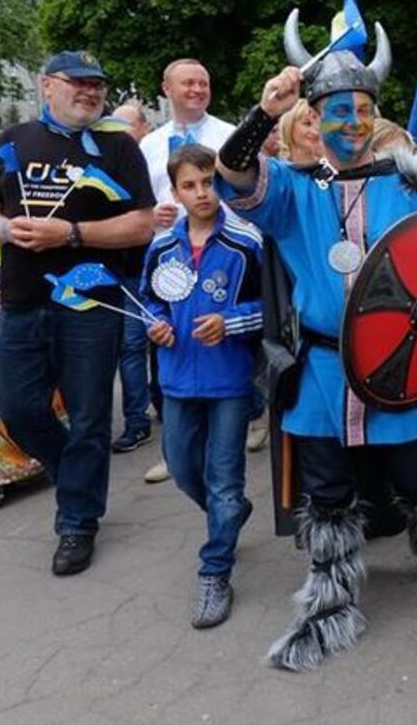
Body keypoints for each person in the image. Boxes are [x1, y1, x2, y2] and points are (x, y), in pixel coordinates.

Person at [215, 18, 417, 671]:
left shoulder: (409, 188)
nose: (350, 122)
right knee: (326, 492)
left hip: (398, 368)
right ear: (314, 118)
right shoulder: (292, 190)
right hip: (323, 372)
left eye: (361, 110)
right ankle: (329, 599)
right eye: (336, 111)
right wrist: (262, 112)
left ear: (376, 118)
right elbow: (232, 172)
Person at [0, 51, 154, 575]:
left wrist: (70, 234)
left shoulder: (119, 146)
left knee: (91, 416)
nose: (91, 92)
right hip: (23, 303)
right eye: (79, 83)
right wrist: (4, 230)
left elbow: (142, 225)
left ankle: (77, 522)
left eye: (98, 84)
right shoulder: (14, 141)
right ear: (47, 86)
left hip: (91, 306)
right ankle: (73, 472)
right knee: (15, 404)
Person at [141, 144, 262, 628]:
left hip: (229, 381)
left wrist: (230, 323)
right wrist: (155, 325)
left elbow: (274, 311)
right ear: (175, 191)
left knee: (224, 480)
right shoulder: (161, 247)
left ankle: (215, 572)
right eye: (190, 185)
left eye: (209, 182)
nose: (202, 192)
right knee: (185, 469)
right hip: (175, 379)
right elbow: (148, 303)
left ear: (223, 183)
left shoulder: (246, 244)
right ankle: (228, 513)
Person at [139, 59, 238, 481]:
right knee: (170, 342)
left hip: (221, 253)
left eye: (204, 82)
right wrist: (153, 216)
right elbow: (140, 203)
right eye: (188, 83)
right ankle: (176, 447)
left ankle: (240, 418)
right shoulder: (149, 144)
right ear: (167, 88)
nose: (197, 89)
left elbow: (244, 193)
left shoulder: (228, 136)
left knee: (224, 336)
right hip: (170, 259)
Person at [107, 102, 156, 454]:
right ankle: (137, 421)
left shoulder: (153, 160)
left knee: (167, 337)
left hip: (159, 265)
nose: (119, 133)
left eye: (126, 126)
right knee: (131, 346)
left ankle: (171, 406)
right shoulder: (106, 162)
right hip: (122, 270)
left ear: (143, 128)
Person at [278, 98, 325, 164]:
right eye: (307, 124)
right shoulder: (276, 170)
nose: (315, 131)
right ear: (289, 126)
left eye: (318, 124)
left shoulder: (331, 168)